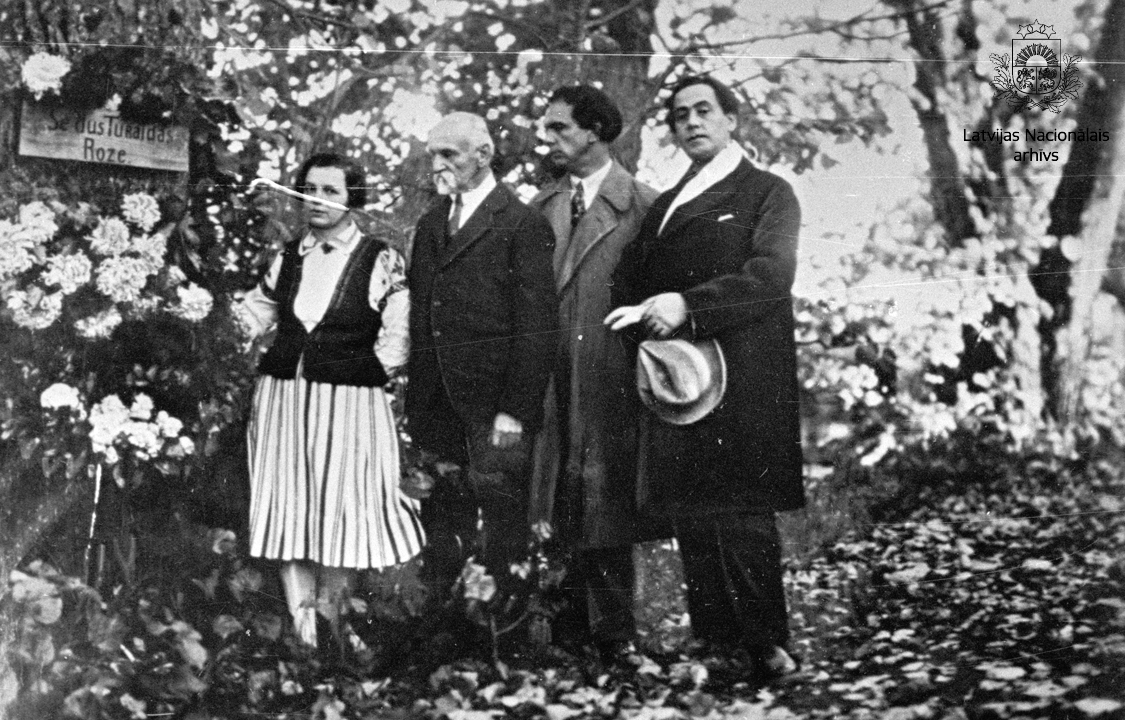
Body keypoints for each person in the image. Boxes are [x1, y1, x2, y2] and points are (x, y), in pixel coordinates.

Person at [605, 75, 804, 680]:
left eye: (703, 110)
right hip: (681, 380)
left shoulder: (767, 193)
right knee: (693, 511)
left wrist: (689, 305)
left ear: (731, 120)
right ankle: (716, 644)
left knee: (741, 511)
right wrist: (638, 319)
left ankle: (766, 647)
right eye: (680, 115)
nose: (691, 122)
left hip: (745, 378)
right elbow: (632, 277)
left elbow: (771, 275)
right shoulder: (667, 204)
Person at [238, 152, 425, 647]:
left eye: (330, 191)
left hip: (350, 404)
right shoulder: (287, 257)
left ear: (351, 199)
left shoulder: (377, 257)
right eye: (308, 190)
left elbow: (398, 331)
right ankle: (304, 636)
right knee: (287, 504)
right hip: (282, 400)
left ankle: (332, 625)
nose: (316, 200)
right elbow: (253, 314)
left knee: (342, 506)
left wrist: (366, 373)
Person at [405, 112, 557, 614]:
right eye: (433, 154)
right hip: (436, 404)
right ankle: (441, 633)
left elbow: (537, 326)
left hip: (495, 410)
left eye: (449, 154)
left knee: (503, 526)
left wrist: (515, 409)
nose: (437, 164)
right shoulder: (431, 223)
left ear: (484, 154)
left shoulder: (522, 224)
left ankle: (504, 638)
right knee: (441, 525)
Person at [528, 85, 657, 661]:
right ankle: (563, 633)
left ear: (596, 131)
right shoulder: (540, 207)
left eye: (560, 127)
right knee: (555, 497)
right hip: (550, 376)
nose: (548, 138)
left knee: (606, 500)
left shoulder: (646, 206)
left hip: (611, 375)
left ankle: (614, 637)